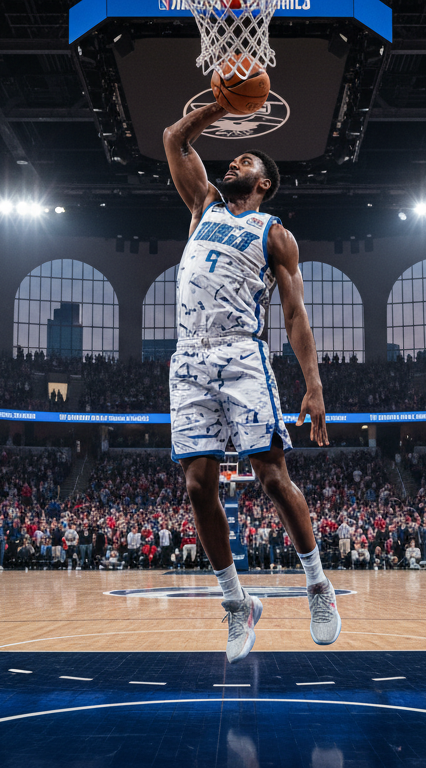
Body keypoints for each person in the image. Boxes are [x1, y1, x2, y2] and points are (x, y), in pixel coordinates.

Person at [163, 99, 339, 663]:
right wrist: (222, 103)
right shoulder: (204, 204)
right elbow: (174, 140)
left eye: (244, 161)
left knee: (270, 476)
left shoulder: (274, 235)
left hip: (242, 354)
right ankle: (237, 603)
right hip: (188, 357)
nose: (233, 163)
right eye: (232, 158)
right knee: (196, 485)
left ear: (263, 183)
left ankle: (317, 585)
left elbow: (294, 315)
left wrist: (313, 385)